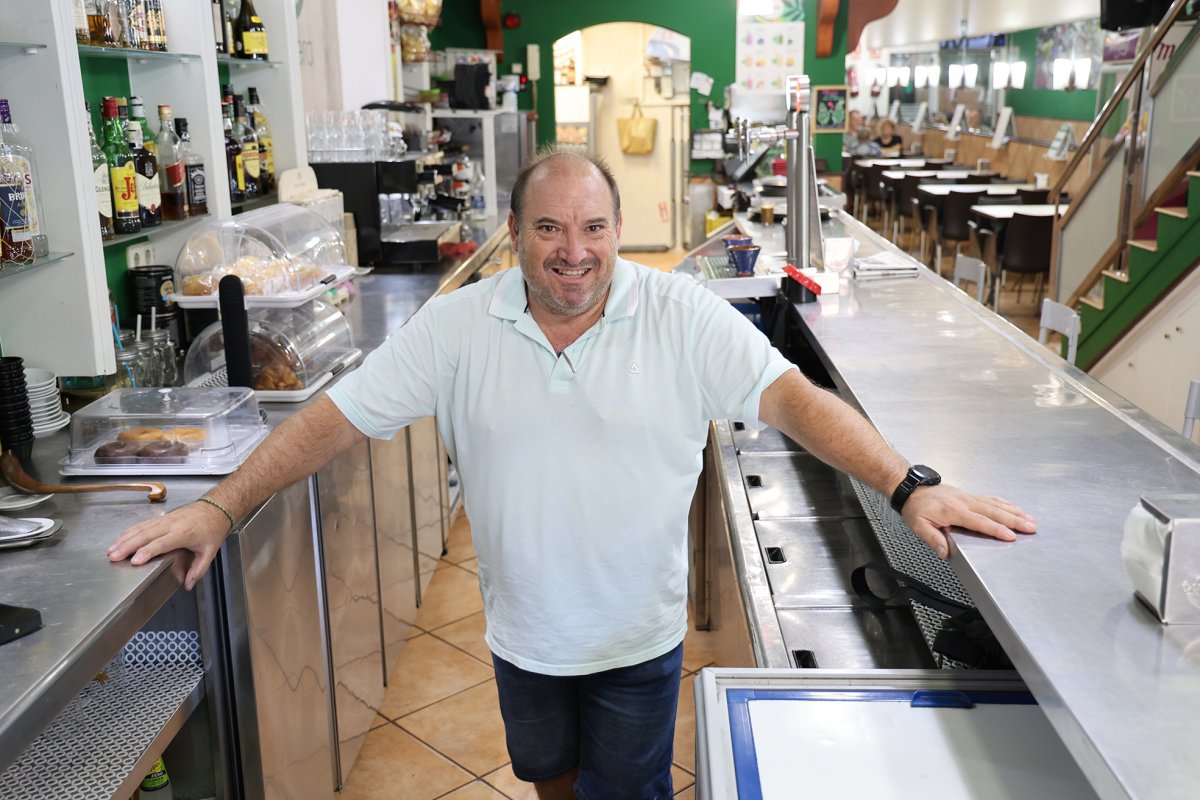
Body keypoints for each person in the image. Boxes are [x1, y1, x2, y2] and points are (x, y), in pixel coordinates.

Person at [109, 147, 1036, 800]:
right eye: (549, 227)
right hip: (523, 637)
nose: (573, 250)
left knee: (627, 789)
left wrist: (910, 485)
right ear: (515, 231)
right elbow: (331, 419)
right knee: (545, 775)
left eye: (593, 227)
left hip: (637, 638)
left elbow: (796, 402)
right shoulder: (461, 326)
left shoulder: (679, 315)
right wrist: (224, 508)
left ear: (618, 229)